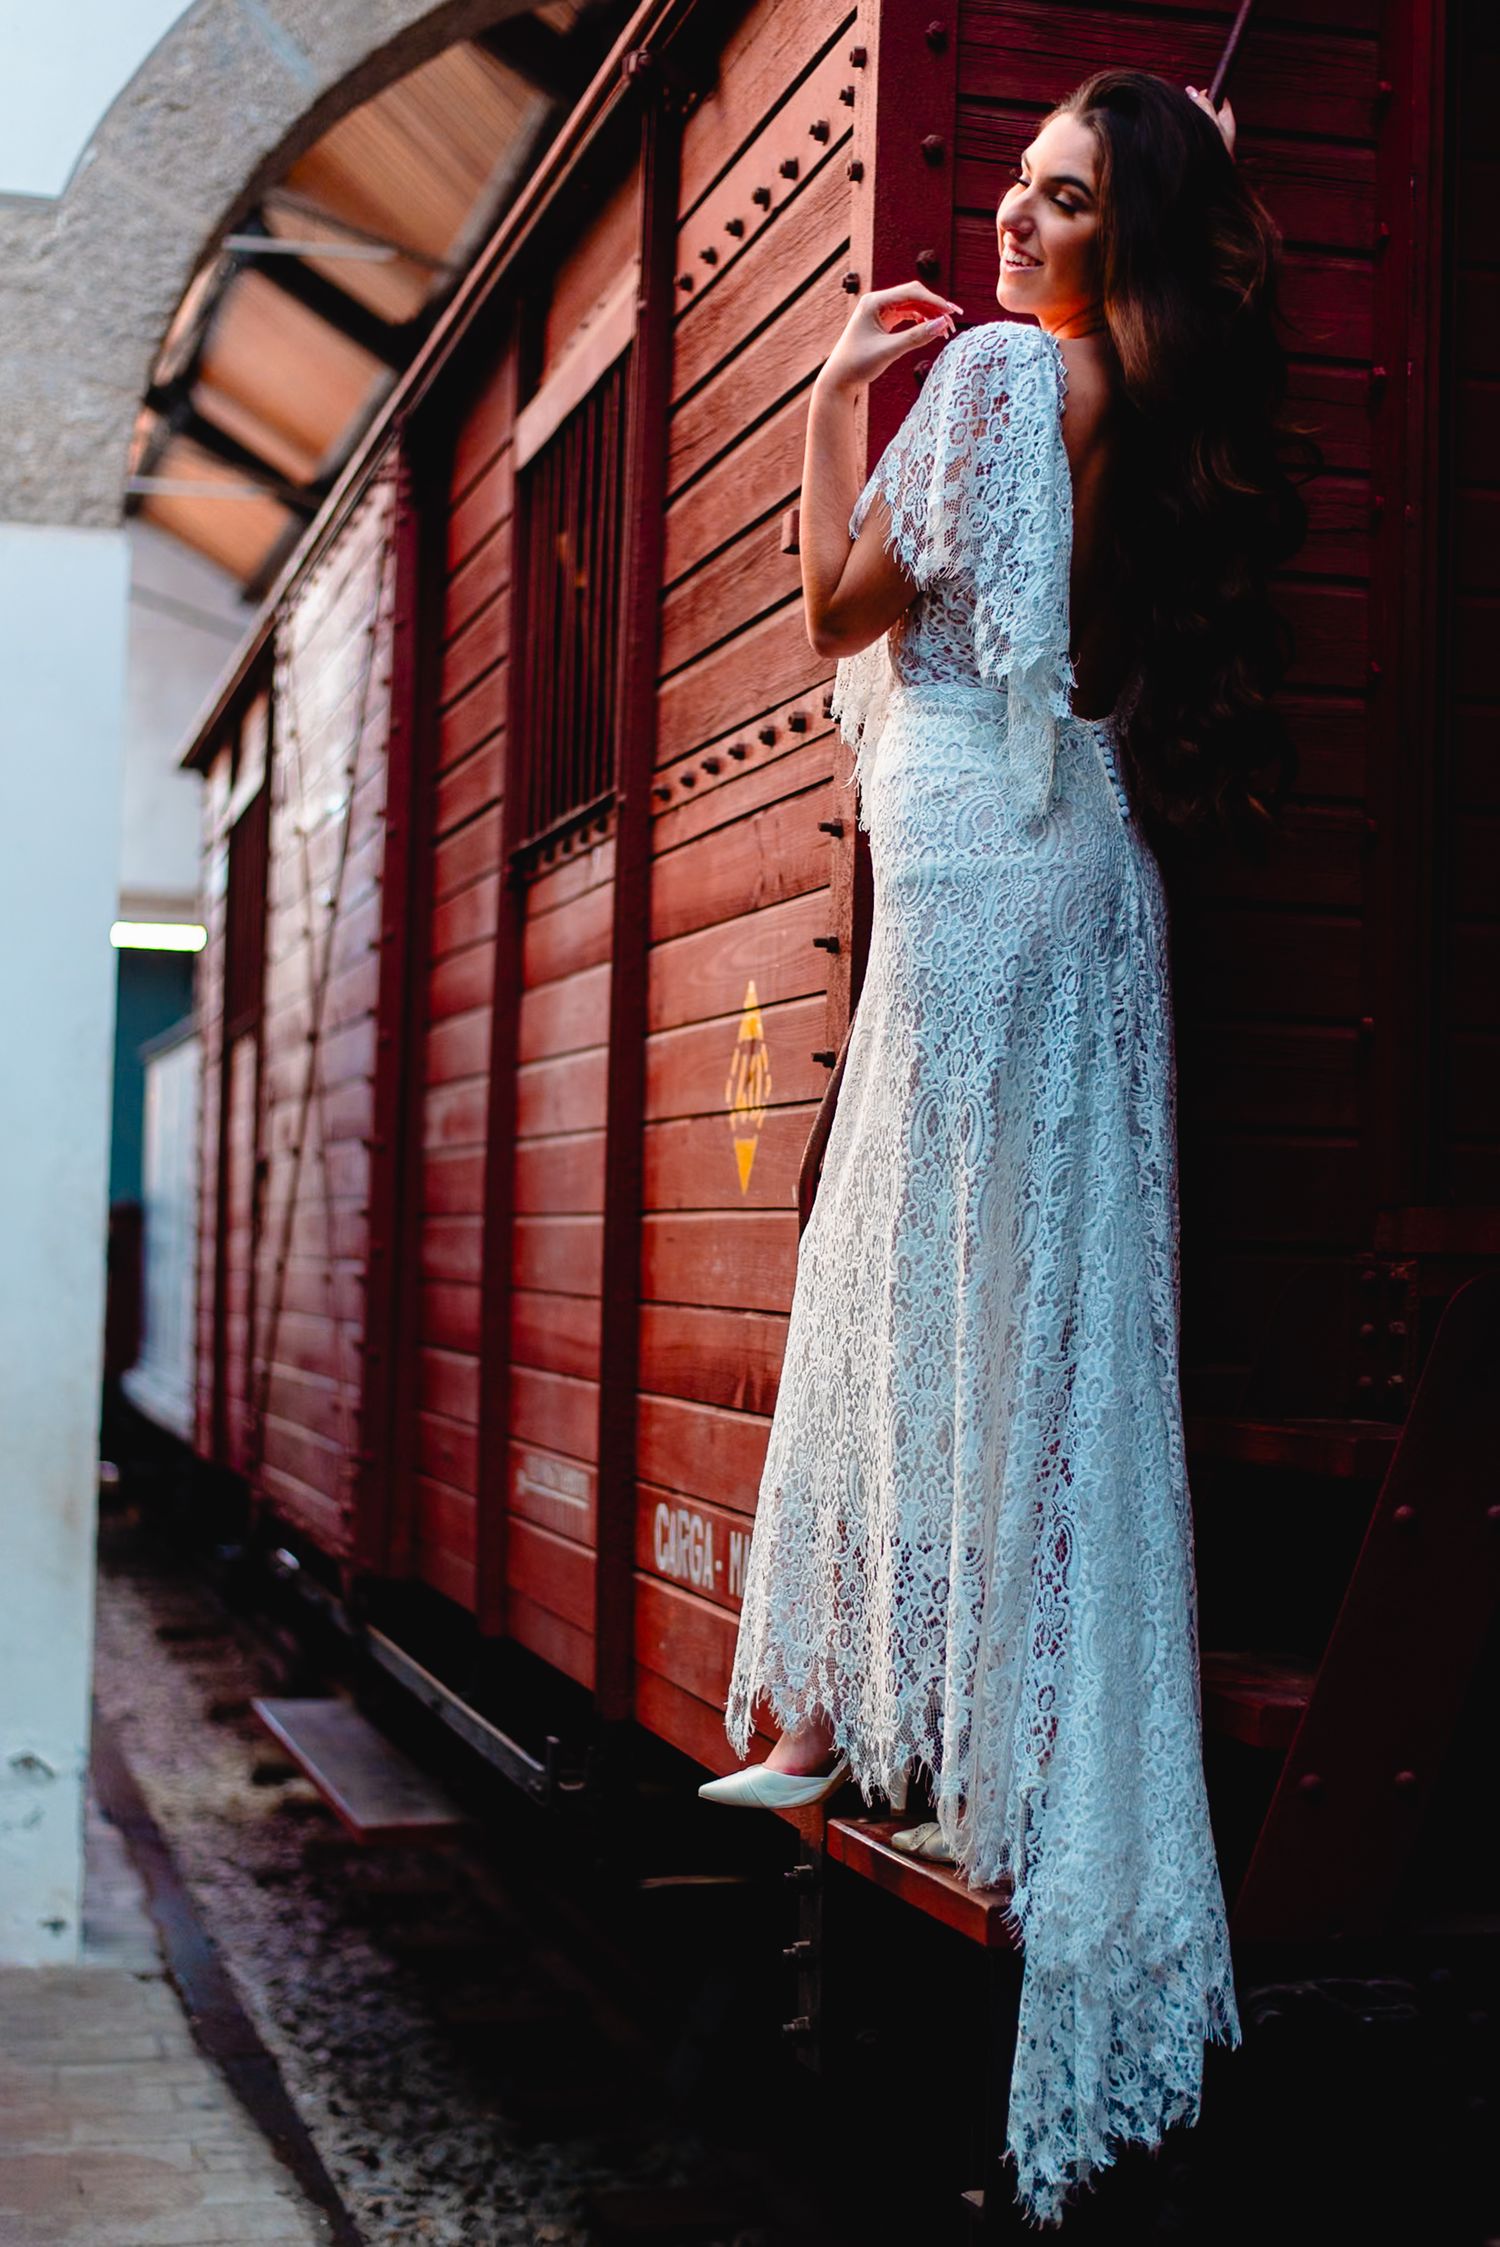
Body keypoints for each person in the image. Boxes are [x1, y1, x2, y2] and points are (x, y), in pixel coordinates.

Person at [699, 68, 1315, 2227]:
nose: (1008, 220)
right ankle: (986, 1744)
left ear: (1114, 231)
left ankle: (865, 1724)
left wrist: (818, 409)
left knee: (906, 1291)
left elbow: (845, 618)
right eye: (1015, 187)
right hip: (1088, 882)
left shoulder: (979, 375)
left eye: (1057, 198)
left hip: (969, 875)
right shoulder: (1146, 396)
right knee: (1048, 1318)